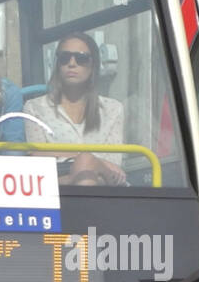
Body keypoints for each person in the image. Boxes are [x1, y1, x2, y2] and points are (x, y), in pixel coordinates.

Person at [24, 33, 127, 185]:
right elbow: (37, 158)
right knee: (85, 167)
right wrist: (85, 158)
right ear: (57, 64)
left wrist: (72, 158)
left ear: (93, 65)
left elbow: (113, 165)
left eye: (81, 58)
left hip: (105, 185)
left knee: (86, 169)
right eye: (65, 57)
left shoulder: (113, 109)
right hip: (55, 184)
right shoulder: (34, 108)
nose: (72, 63)